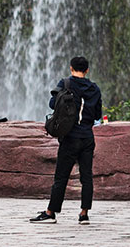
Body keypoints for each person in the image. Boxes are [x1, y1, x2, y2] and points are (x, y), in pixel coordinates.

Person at [30, 56, 102, 225]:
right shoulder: (95, 89)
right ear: (87, 70)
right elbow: (98, 114)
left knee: (61, 177)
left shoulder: (65, 83)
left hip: (70, 137)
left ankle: (51, 213)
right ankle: (84, 214)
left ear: (71, 68)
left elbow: (52, 104)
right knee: (87, 177)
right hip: (87, 137)